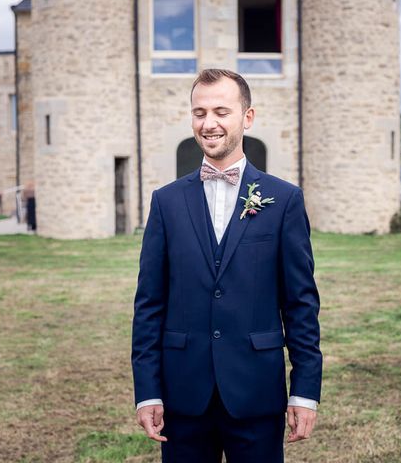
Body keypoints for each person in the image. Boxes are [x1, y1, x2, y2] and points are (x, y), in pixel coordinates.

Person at [132, 69, 322, 462]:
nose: (209, 123)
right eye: (199, 112)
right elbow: (149, 303)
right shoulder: (165, 202)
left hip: (256, 392)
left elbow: (301, 304)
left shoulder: (283, 200)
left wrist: (304, 391)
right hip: (183, 394)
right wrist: (147, 390)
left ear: (247, 117)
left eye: (221, 111)